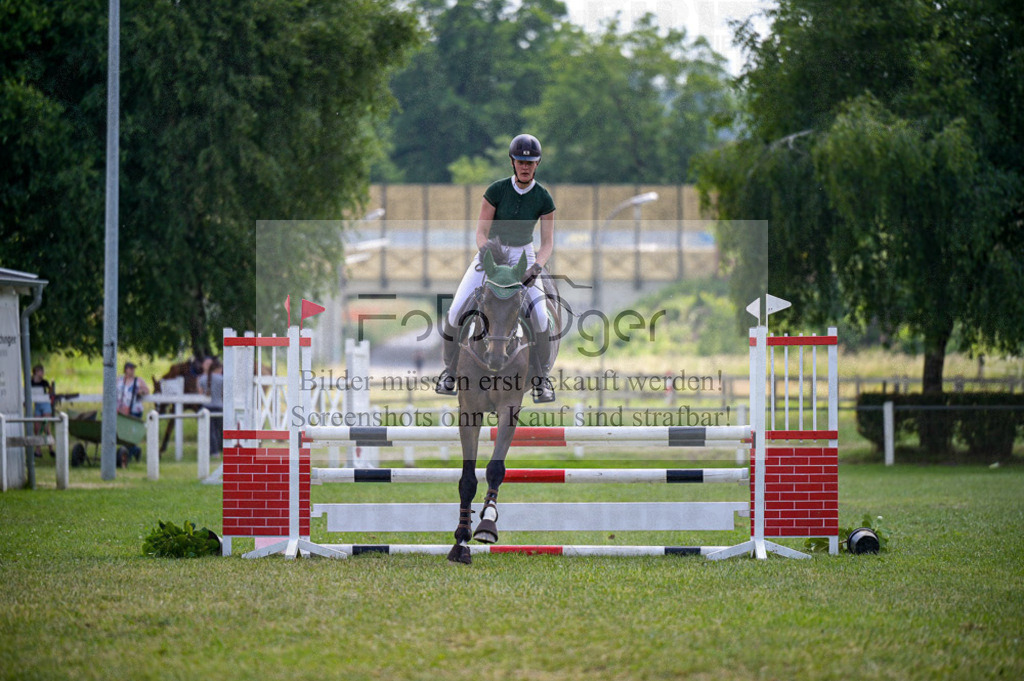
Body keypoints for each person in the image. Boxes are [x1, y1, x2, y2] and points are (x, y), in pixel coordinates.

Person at [436, 133, 557, 403]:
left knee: (540, 316)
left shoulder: (544, 198)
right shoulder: (496, 190)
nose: (525, 167)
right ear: (512, 162)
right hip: (492, 252)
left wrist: (537, 266)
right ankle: (449, 372)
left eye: (530, 163)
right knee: (456, 310)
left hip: (524, 255)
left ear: (537, 164)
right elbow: (481, 233)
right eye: (520, 162)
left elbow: (547, 243)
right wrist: (488, 256)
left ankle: (542, 378)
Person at [198, 358, 224, 456]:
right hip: (219, 407)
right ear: (217, 369)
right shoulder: (222, 379)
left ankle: (214, 451)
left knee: (210, 431)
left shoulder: (202, 379)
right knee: (219, 430)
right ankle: (220, 448)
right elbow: (223, 394)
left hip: (207, 407)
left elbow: (200, 393)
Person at [30, 364, 55, 458]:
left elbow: (50, 392)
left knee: (46, 428)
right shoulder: (31, 382)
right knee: (37, 428)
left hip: (45, 405)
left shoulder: (44, 382)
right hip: (37, 405)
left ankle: (51, 448)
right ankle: (38, 450)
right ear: (36, 372)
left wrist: (50, 391)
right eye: (41, 371)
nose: (42, 373)